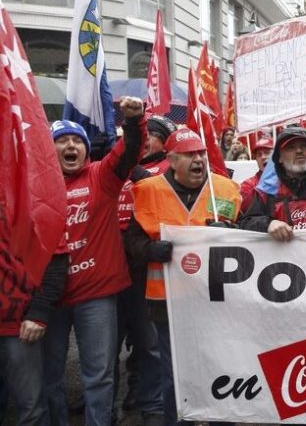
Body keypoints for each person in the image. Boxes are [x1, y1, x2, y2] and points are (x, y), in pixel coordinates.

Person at [125, 128, 242, 426]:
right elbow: (132, 244)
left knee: (217, 365)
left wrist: (232, 235)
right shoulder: (149, 190)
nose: (198, 159)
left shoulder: (225, 189)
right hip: (167, 302)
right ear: (172, 161)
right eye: (189, 154)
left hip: (216, 300)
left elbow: (251, 234)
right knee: (175, 372)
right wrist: (151, 249)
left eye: (201, 153)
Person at [43, 97, 147, 426]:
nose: (71, 146)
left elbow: (129, 152)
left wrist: (133, 122)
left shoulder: (102, 176)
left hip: (96, 296)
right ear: (49, 150)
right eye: (62, 141)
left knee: (99, 376)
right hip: (50, 299)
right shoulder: (37, 187)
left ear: (87, 150)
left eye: (77, 141)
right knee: (49, 376)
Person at [115, 114, 177, 423]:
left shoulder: (167, 168)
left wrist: (139, 174)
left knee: (150, 341)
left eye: (152, 136)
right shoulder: (123, 164)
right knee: (119, 338)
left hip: (146, 266)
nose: (146, 141)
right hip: (114, 262)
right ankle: (133, 390)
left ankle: (152, 403)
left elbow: (167, 196)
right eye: (144, 135)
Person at [0, 243, 69, 426]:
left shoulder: (29, 213)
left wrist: (39, 312)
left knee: (32, 409)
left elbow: (55, 259)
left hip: (18, 326)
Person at [238, 137, 274, 211]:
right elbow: (247, 209)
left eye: (267, 152)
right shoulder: (247, 184)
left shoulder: (289, 178)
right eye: (259, 155)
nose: (263, 157)